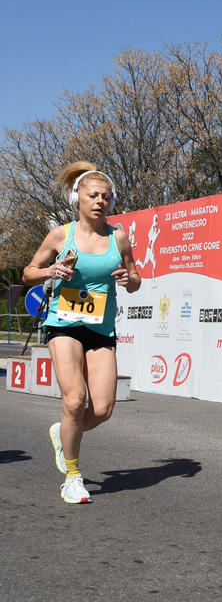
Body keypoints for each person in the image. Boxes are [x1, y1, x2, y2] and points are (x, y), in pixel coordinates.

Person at [22, 162, 141, 504]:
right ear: (78, 198)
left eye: (106, 197)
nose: (99, 202)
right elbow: (29, 273)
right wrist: (50, 270)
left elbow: (135, 280)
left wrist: (128, 279)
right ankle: (72, 476)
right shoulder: (61, 235)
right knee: (75, 400)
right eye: (92, 195)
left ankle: (64, 433)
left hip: (100, 329)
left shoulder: (118, 238)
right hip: (63, 324)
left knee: (102, 409)